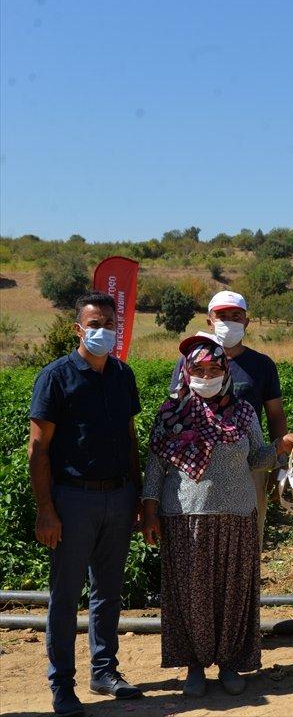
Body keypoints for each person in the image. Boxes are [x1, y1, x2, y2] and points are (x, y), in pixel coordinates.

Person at [142, 334, 293, 698]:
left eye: (214, 368)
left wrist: (279, 448)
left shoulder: (243, 413)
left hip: (237, 513)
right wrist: (149, 510)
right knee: (191, 595)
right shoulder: (170, 413)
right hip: (185, 514)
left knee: (233, 593)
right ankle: (194, 666)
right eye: (199, 369)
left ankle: (229, 663)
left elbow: (256, 458)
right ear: (187, 371)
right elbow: (155, 466)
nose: (207, 375)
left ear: (225, 372)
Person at [28, 292, 144, 717]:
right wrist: (46, 509)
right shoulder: (56, 377)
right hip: (73, 499)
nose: (103, 332)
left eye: (110, 324)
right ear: (79, 329)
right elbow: (38, 450)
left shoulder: (121, 374)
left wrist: (137, 494)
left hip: (118, 494)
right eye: (94, 324)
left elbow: (130, 438)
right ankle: (62, 685)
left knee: (108, 591)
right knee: (65, 595)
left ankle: (104, 671)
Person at [170, 290, 288, 546]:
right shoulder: (189, 360)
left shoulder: (261, 364)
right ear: (209, 320)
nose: (229, 321)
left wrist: (280, 463)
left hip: (248, 464)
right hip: (199, 467)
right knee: (198, 541)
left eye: (236, 316)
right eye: (222, 316)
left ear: (246, 322)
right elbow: (174, 410)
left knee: (246, 540)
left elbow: (275, 414)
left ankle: (243, 587)